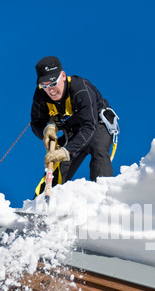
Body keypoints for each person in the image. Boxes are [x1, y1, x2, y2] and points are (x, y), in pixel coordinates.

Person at [31, 56, 119, 196]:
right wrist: (46, 131)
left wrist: (66, 151)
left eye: (53, 83)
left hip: (96, 124)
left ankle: (105, 197)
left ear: (63, 76)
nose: (50, 90)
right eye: (44, 85)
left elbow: (90, 127)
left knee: (98, 150)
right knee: (59, 164)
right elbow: (36, 122)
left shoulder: (81, 90)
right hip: (74, 129)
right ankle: (41, 203)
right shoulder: (41, 94)